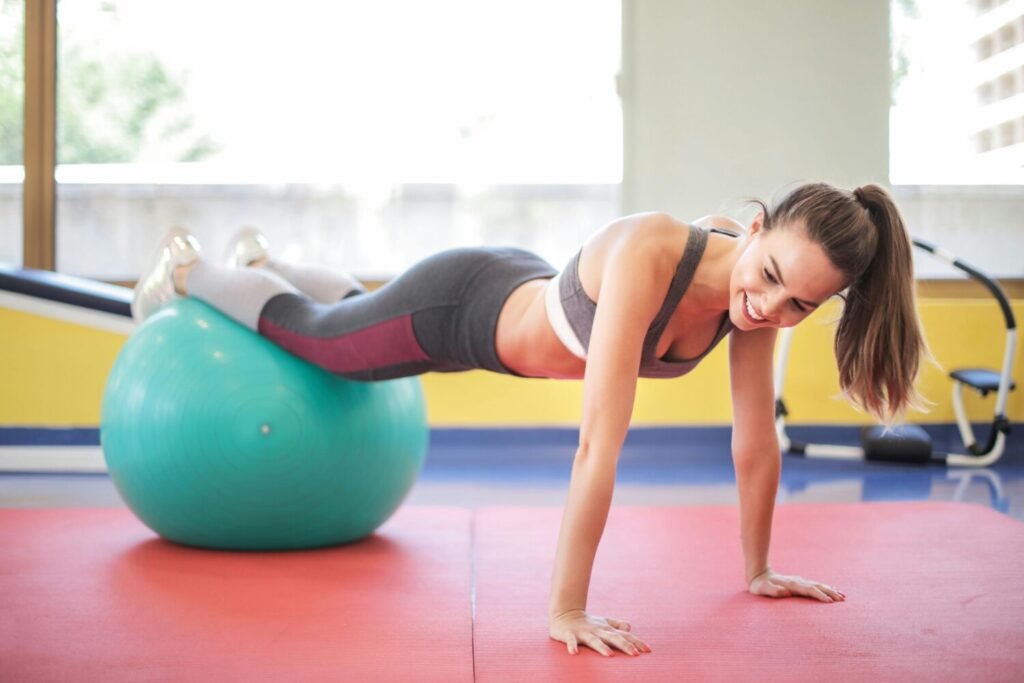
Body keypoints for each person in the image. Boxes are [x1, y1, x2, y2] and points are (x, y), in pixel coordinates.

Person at [132, 181, 929, 658]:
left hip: (519, 286)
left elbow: (754, 441)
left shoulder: (750, 303)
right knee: (322, 342)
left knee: (346, 316)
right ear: (754, 228)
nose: (769, 306)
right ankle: (189, 268)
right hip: (463, 308)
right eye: (770, 278)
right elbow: (597, 443)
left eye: (801, 305)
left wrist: (758, 568)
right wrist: (566, 609)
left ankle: (264, 263)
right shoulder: (656, 251)